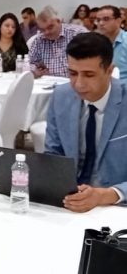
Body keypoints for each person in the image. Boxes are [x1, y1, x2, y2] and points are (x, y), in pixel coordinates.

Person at [44, 32, 127, 212]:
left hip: (116, 205)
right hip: (69, 201)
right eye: (73, 73)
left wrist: (106, 195)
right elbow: (53, 154)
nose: (78, 84)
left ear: (109, 70)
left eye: (89, 75)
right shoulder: (61, 96)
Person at [28, 6, 87, 78]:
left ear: (59, 21)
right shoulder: (39, 40)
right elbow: (29, 62)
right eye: (43, 30)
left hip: (74, 80)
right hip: (48, 81)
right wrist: (35, 71)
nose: (46, 32)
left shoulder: (77, 34)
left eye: (50, 27)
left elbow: (92, 60)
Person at [95, 5, 127, 82]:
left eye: (106, 19)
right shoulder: (96, 43)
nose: (101, 23)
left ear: (118, 21)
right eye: (98, 20)